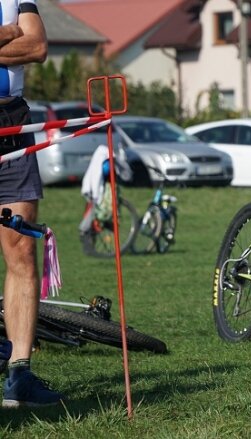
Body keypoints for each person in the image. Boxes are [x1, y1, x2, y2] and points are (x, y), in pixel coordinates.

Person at [0, 0, 63, 408]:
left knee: (21, 248)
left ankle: (19, 373)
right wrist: (8, 35)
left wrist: (19, 36)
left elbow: (37, 46)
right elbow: (21, 40)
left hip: (13, 126)